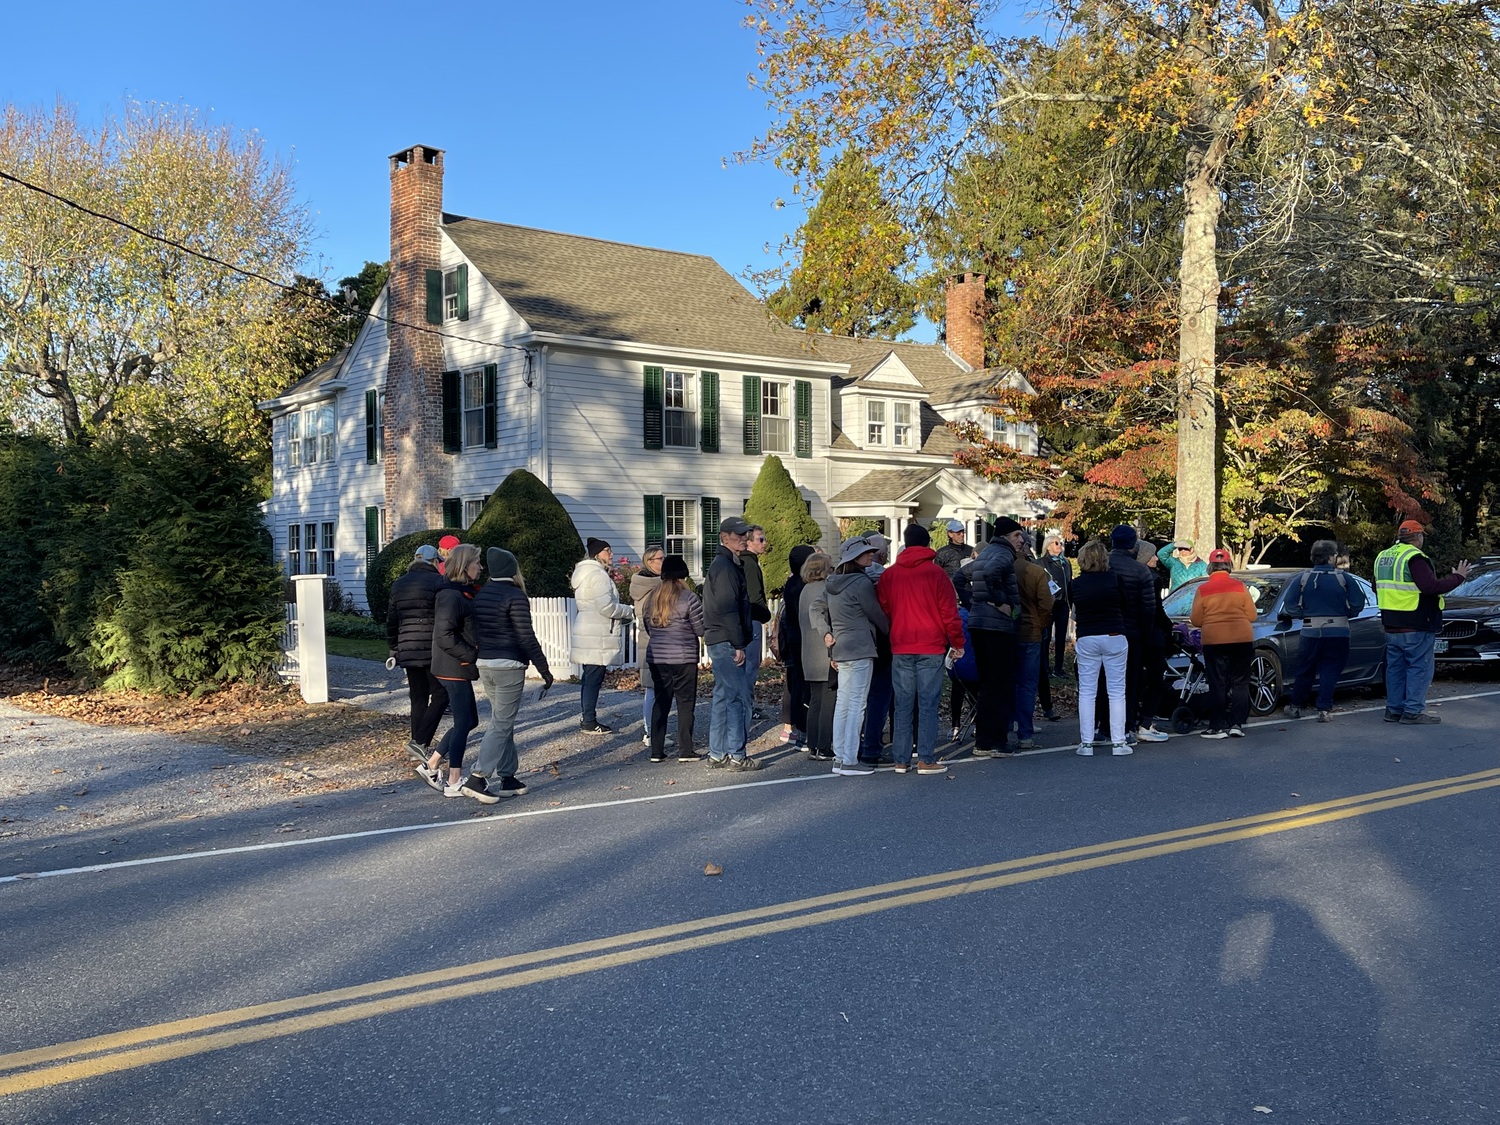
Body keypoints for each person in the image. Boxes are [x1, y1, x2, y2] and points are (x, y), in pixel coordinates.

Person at [465, 548, 553, 802]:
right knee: (502, 723)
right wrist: (544, 669)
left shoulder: (481, 595)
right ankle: (478, 777)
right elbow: (525, 636)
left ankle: (507, 776)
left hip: (486, 664)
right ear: (512, 570)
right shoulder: (515, 596)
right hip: (509, 666)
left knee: (502, 720)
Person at [877, 523, 965, 775]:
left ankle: (901, 759)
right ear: (928, 543)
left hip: (902, 643)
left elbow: (884, 608)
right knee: (927, 703)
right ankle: (925, 757)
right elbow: (950, 613)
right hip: (931, 644)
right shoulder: (936, 574)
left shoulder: (890, 575)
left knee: (903, 703)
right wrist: (957, 642)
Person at [1373, 519, 1471, 724]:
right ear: (1418, 537)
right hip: (1416, 622)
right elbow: (1430, 586)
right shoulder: (1414, 557)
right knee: (1419, 667)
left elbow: (1377, 587)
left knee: (1395, 669)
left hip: (1391, 623)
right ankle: (1412, 711)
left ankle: (1393, 710)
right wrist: (1458, 578)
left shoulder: (1383, 557)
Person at [812, 537, 889, 776]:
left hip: (841, 647)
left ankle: (840, 757)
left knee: (844, 704)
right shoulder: (861, 583)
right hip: (861, 647)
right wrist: (890, 630)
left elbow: (815, 608)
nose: (870, 556)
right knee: (857, 704)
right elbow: (875, 614)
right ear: (854, 558)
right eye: (866, 553)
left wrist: (825, 632)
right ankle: (850, 760)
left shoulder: (832, 583)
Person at [418, 544, 482, 795]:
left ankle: (431, 764)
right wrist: (470, 655)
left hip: (456, 666)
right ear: (465, 566)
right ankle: (454, 780)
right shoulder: (451, 595)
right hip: (452, 666)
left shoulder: (461, 592)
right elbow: (444, 635)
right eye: (476, 563)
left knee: (470, 720)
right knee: (464, 721)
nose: (480, 567)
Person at [1281, 539, 1368, 722]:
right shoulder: (1344, 578)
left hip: (1310, 630)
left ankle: (1296, 706)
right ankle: (1324, 709)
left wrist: (1303, 614)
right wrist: (1346, 613)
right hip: (1338, 631)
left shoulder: (1302, 579)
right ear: (1330, 558)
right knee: (1330, 669)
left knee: (1305, 669)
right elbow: (1358, 603)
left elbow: (1289, 605)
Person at [703, 516, 759, 769]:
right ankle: (736, 754)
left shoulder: (725, 564)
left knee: (723, 696)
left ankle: (717, 753)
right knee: (736, 697)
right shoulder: (725, 567)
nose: (744, 539)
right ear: (724, 538)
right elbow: (727, 609)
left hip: (720, 638)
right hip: (726, 639)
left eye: (745, 535)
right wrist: (738, 644)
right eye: (738, 536)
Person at [386, 543, 449, 764]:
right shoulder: (439, 582)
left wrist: (394, 646)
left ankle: (418, 743)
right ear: (433, 562)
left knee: (418, 697)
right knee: (441, 694)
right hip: (433, 648)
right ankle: (420, 741)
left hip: (409, 648)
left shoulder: (399, 584)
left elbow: (392, 620)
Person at [640, 555, 706, 763]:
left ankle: (656, 751)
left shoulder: (652, 598)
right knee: (685, 703)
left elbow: (648, 626)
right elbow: (700, 629)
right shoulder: (689, 598)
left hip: (657, 657)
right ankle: (685, 749)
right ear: (682, 576)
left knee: (661, 701)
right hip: (683, 656)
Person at [1069, 538, 1131, 755]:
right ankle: (1118, 742)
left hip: (1087, 635)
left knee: (1087, 692)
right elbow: (1125, 605)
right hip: (1114, 633)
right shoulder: (1115, 579)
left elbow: (1073, 608)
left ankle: (1086, 743)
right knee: (1116, 691)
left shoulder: (1075, 584)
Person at [968, 517, 1023, 757]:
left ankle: (983, 740)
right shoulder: (1002, 554)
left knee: (987, 684)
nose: (1021, 540)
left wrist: (975, 601)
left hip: (978, 624)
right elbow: (991, 574)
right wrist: (999, 601)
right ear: (1006, 536)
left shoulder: (986, 552)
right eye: (1017, 535)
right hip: (998, 627)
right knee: (1001, 684)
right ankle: (997, 741)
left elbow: (961, 576)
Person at [1107, 526, 1168, 744]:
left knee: (1109, 681)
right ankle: (1131, 726)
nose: (1156, 559)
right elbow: (1150, 610)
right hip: (1134, 632)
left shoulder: (1102, 566)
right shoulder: (1143, 574)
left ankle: (1105, 726)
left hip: (1106, 630)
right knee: (1132, 681)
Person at [1190, 548, 1258, 739]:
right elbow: (1252, 615)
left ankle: (1217, 726)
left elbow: (1196, 620)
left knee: (1217, 682)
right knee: (1240, 682)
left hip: (1214, 639)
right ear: (1229, 565)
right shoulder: (1240, 586)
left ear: (1210, 567)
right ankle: (1237, 724)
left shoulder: (1202, 589)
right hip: (1242, 637)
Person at [569, 537, 634, 735]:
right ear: (597, 554)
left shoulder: (585, 574)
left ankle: (587, 718)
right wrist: (628, 611)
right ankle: (589, 721)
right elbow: (606, 607)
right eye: (607, 551)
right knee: (594, 678)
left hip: (588, 630)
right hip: (597, 633)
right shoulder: (597, 576)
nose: (611, 554)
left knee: (589, 677)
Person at [1010, 536, 1054, 750]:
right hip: (1030, 631)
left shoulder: (1001, 568)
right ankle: (1025, 733)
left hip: (1006, 631)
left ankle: (1006, 727)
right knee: (1027, 685)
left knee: (1007, 683)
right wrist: (1040, 624)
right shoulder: (1035, 571)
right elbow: (1047, 603)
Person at [857, 531, 896, 766]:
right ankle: (872, 746)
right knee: (880, 697)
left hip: (859, 643)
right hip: (882, 642)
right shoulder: (884, 579)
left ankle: (854, 745)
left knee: (859, 698)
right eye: (884, 551)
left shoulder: (845, 580)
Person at [774, 544, 817, 748]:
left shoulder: (791, 585)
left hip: (793, 637)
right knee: (806, 686)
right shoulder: (804, 586)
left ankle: (800, 731)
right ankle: (806, 730)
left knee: (798, 684)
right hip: (805, 638)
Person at [798, 551, 837, 762]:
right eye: (830, 568)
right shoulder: (826, 589)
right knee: (829, 699)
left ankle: (812, 744)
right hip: (825, 649)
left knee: (815, 700)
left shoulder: (805, 590)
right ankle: (824, 746)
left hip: (808, 652)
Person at [739, 525, 773, 747]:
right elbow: (754, 597)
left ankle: (746, 705)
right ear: (749, 541)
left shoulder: (747, 562)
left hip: (748, 619)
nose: (764, 543)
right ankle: (745, 709)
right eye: (760, 539)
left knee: (749, 666)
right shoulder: (749, 564)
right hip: (751, 620)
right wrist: (765, 615)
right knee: (750, 666)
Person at [630, 546, 665, 747]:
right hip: (652, 640)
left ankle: (654, 730)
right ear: (650, 562)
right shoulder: (650, 586)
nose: (663, 561)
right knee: (653, 689)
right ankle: (651, 732)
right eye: (660, 558)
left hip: (651, 640)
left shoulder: (647, 584)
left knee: (656, 689)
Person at [1040, 534, 1072, 677]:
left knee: (1061, 636)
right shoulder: (1041, 563)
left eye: (1060, 543)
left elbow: (1069, 583)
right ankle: (1045, 667)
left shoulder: (1066, 563)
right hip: (1049, 604)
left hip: (1063, 604)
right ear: (1048, 546)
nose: (1060, 545)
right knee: (1045, 637)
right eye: (1056, 543)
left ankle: (1058, 667)